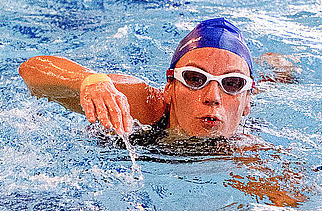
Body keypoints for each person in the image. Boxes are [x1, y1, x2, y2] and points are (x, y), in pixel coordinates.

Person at [20, 18, 274, 138]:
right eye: (195, 79)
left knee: (274, 80)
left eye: (232, 83)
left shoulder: (249, 152)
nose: (213, 97)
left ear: (247, 103)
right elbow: (31, 71)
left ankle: (276, 72)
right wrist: (89, 81)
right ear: (169, 88)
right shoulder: (140, 104)